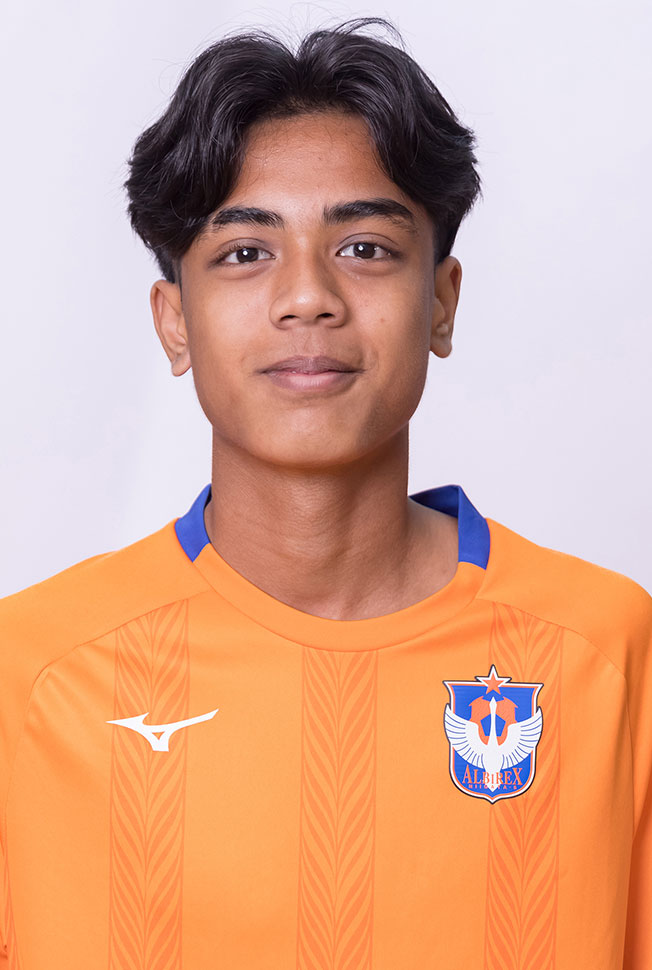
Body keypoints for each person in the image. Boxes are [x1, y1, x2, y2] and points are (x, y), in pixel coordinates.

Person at [0, 16, 650, 970]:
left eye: (366, 249)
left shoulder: (608, 652)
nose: (308, 296)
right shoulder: (30, 673)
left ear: (442, 302)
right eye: (245, 253)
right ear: (174, 323)